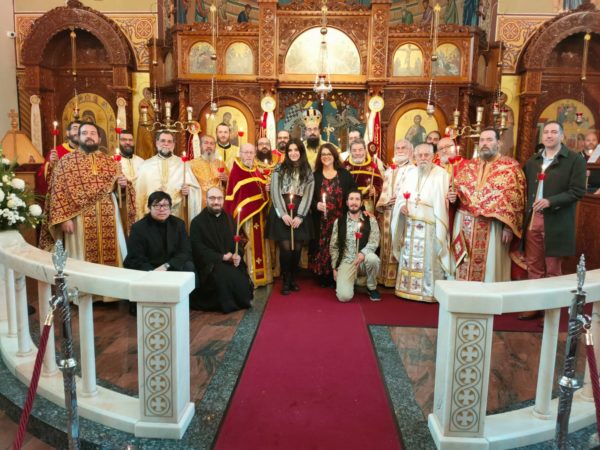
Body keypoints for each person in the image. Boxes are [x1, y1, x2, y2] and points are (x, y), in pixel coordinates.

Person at [40, 123, 135, 268]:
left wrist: (122, 186)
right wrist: (64, 219)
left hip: (109, 217)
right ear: (78, 137)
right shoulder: (66, 161)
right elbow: (58, 191)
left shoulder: (110, 162)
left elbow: (120, 192)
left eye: (92, 133)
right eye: (84, 133)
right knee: (81, 261)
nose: (89, 136)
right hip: (78, 219)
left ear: (99, 138)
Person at [520, 121, 586, 318]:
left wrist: (551, 201)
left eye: (554, 132)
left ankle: (551, 311)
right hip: (534, 218)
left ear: (562, 136)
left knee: (553, 268)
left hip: (556, 220)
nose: (549, 135)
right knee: (533, 265)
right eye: (546, 132)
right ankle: (535, 305)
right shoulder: (533, 161)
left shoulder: (574, 160)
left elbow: (577, 191)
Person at [448, 127, 526, 282]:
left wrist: (509, 227)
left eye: (489, 140)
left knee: (489, 267)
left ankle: (486, 294)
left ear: (499, 143)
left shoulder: (510, 167)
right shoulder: (469, 166)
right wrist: (453, 197)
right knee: (462, 261)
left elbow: (516, 200)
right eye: (482, 140)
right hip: (464, 223)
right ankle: (460, 291)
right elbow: (459, 191)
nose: (484, 143)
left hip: (492, 227)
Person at [391, 144, 450, 302]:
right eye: (420, 155)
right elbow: (401, 196)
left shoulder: (442, 174)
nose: (423, 158)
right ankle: (407, 288)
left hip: (430, 226)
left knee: (429, 259)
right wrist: (401, 206)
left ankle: (428, 291)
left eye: (426, 155)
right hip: (410, 225)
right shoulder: (410, 173)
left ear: (433, 156)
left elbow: (444, 203)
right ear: (415, 157)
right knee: (409, 257)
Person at [190, 186, 253, 313]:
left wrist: (237, 255)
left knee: (242, 283)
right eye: (212, 198)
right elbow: (198, 249)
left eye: (219, 198)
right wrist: (222, 257)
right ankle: (225, 304)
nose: (216, 202)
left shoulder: (230, 219)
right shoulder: (197, 222)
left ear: (223, 200)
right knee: (224, 279)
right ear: (206, 199)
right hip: (211, 264)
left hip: (230, 262)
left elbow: (238, 241)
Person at [266, 139, 314, 294]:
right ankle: (286, 280)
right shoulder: (279, 168)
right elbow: (275, 192)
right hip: (282, 209)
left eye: (296, 150)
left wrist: (300, 216)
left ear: (301, 151)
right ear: (286, 153)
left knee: (297, 248)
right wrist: (283, 214)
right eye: (290, 150)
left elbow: (308, 194)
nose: (293, 153)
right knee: (286, 248)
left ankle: (293, 278)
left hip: (300, 209)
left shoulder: (307, 170)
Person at [224, 143, 273, 287]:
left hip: (260, 217)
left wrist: (267, 188)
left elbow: (261, 189)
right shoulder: (236, 170)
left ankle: (264, 277)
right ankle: (250, 278)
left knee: (261, 245)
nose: (249, 155)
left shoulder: (255, 169)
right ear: (240, 154)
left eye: (251, 153)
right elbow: (235, 197)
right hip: (246, 219)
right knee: (250, 245)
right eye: (246, 152)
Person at [310, 143, 357, 288]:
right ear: (320, 157)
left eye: (329, 154)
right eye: (323, 154)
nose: (326, 157)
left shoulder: (344, 174)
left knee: (337, 245)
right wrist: (316, 205)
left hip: (339, 219)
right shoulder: (315, 176)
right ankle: (322, 275)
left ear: (334, 156)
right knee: (322, 246)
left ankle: (336, 274)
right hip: (321, 221)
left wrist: (359, 209)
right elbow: (308, 198)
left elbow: (353, 193)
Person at [135, 131, 202, 223]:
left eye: (169, 141)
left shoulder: (182, 164)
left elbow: (195, 188)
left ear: (173, 145)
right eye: (163, 141)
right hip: (152, 215)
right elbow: (139, 193)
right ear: (157, 143)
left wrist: (189, 191)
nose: (166, 144)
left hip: (176, 214)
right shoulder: (146, 165)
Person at [330, 190, 381, 302]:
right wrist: (334, 268)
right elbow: (334, 246)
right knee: (344, 297)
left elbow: (374, 241)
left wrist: (363, 253)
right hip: (346, 261)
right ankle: (353, 281)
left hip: (363, 261)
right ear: (347, 202)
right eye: (351, 199)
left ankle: (371, 287)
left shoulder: (370, 220)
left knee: (373, 259)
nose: (354, 202)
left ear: (361, 203)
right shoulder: (339, 222)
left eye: (357, 199)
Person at [375, 139, 414, 287]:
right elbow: (384, 191)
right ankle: (384, 277)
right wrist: (385, 202)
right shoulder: (390, 170)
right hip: (387, 212)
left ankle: (397, 280)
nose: (400, 150)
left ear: (410, 151)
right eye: (398, 148)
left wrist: (399, 200)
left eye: (404, 148)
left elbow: (413, 191)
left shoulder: (413, 170)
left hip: (402, 213)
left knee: (399, 242)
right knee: (386, 244)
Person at [124, 191, 194, 272]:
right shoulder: (138, 228)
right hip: (148, 267)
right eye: (157, 206)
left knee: (189, 266)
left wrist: (167, 265)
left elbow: (185, 251)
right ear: (149, 207)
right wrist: (153, 272)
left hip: (170, 265)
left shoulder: (178, 224)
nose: (162, 209)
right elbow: (136, 257)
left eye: (166, 205)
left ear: (170, 207)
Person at [36, 120, 80, 196]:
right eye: (75, 128)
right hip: (63, 195)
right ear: (68, 133)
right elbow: (42, 177)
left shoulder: (89, 152)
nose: (78, 132)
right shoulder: (57, 151)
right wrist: (51, 164)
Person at [343, 138, 383, 213]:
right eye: (354, 150)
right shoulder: (344, 166)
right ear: (350, 151)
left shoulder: (372, 166)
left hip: (367, 207)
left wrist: (375, 190)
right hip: (348, 206)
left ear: (365, 150)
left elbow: (380, 186)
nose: (357, 153)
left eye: (360, 150)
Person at [189, 134, 229, 208]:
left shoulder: (221, 163)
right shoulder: (192, 164)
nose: (209, 146)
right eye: (206, 143)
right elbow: (189, 186)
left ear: (215, 147)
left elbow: (230, 184)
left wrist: (226, 180)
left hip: (218, 204)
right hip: (200, 205)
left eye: (212, 143)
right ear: (200, 146)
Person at [136, 88, 157, 159]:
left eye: (150, 93)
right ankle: (150, 158)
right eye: (148, 93)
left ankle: (151, 157)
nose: (150, 95)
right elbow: (152, 114)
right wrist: (156, 116)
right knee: (148, 143)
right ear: (144, 94)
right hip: (145, 126)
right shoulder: (143, 102)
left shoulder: (149, 102)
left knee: (151, 143)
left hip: (150, 125)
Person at [497, 92, 515, 157]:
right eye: (498, 99)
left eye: (501, 99)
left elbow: (511, 123)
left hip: (503, 133)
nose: (499, 101)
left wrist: (502, 122)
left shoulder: (508, 109)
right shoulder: (493, 108)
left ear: (505, 100)